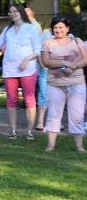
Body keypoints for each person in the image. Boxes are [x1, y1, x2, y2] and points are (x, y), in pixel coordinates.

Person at [0, 5, 41, 140]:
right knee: (11, 100)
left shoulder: (31, 28)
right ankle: (13, 131)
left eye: (15, 11)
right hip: (10, 69)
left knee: (29, 100)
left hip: (27, 69)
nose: (12, 14)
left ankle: (29, 132)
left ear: (21, 13)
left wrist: (26, 60)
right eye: (10, 12)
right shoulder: (7, 30)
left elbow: (37, 50)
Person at [40, 15, 86, 153]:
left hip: (77, 84)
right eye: (55, 27)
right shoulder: (48, 43)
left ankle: (79, 146)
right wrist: (65, 63)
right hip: (55, 84)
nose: (58, 30)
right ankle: (50, 145)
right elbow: (46, 62)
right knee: (54, 114)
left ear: (67, 28)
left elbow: (85, 59)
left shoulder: (77, 41)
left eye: (61, 27)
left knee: (77, 115)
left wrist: (73, 66)